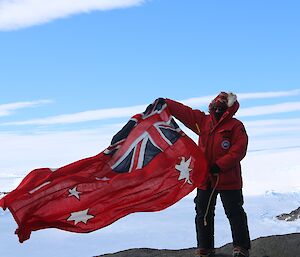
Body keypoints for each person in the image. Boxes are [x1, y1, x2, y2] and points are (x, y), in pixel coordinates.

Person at [161, 92, 251, 257]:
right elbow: (184, 112)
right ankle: (205, 248)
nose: (218, 107)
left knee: (235, 212)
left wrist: (219, 165)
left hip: (228, 179)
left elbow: (239, 149)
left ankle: (241, 248)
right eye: (216, 104)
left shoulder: (236, 126)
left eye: (222, 105)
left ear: (229, 108)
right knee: (203, 213)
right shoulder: (203, 121)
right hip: (205, 178)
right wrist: (166, 103)